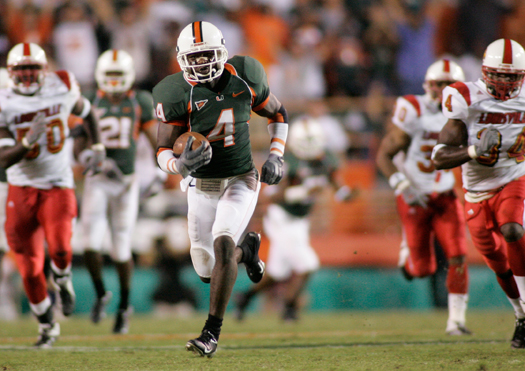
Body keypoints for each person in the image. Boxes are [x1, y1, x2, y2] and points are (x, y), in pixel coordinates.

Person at [153, 21, 288, 357]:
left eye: (206, 55)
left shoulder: (245, 76)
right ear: (182, 60)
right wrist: (178, 165)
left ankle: (210, 333)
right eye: (193, 58)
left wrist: (276, 155)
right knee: (205, 270)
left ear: (222, 52)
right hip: (200, 184)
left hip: (241, 178)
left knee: (224, 242)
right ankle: (250, 250)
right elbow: (161, 150)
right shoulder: (174, 93)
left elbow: (279, 113)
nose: (201, 64)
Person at [0, 42, 104, 347]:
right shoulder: (3, 100)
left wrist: (97, 147)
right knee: (29, 267)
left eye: (33, 68)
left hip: (58, 183)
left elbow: (89, 113)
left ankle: (62, 279)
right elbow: (4, 159)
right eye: (22, 69)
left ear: (43, 69)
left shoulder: (63, 85)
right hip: (20, 187)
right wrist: (27, 141)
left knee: (59, 247)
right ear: (11, 72)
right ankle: (47, 324)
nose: (28, 75)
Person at [431, 38, 525, 349]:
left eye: (513, 76)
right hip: (476, 191)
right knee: (498, 263)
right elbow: (439, 157)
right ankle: (521, 315)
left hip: (514, 176)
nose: (506, 82)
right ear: (485, 72)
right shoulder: (465, 97)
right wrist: (471, 150)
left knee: (513, 228)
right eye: (500, 74)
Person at [376, 59, 471, 335]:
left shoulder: (465, 112)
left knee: (458, 255)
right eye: (438, 84)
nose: (442, 89)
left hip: (443, 195)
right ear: (428, 85)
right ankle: (409, 253)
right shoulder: (412, 109)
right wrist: (402, 185)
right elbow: (384, 154)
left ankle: (456, 321)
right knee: (423, 269)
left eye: (448, 84)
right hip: (414, 195)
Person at [235, 117, 354, 322]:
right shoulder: (287, 160)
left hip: (300, 220)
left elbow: (335, 181)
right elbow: (272, 196)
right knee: (307, 264)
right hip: (281, 217)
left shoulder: (326, 159)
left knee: (278, 273)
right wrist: (303, 191)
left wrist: (344, 193)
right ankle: (289, 309)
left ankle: (245, 298)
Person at [73, 49, 158, 334]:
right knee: (90, 245)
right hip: (98, 180)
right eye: (109, 75)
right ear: (99, 75)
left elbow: (157, 140)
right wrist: (90, 158)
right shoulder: (89, 101)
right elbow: (77, 145)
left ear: (129, 76)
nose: (113, 81)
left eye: (118, 75)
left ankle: (123, 306)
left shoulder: (140, 101)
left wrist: (164, 166)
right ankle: (100, 294)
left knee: (121, 246)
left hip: (126, 182)